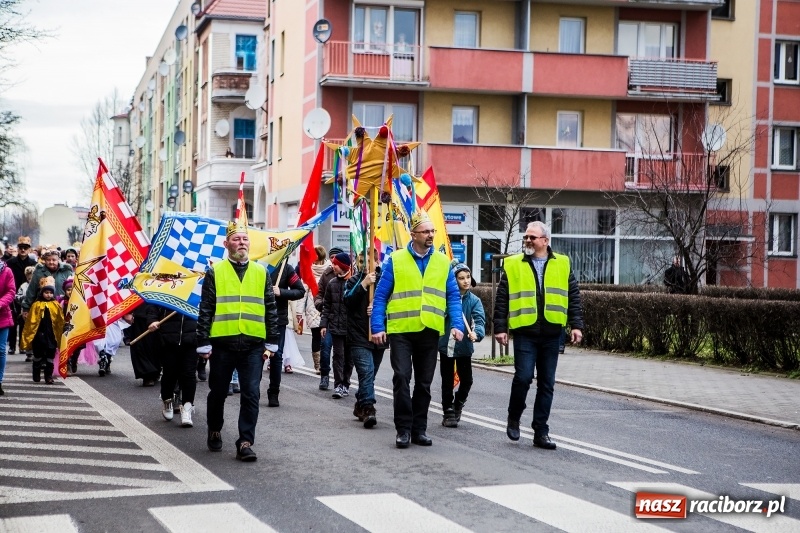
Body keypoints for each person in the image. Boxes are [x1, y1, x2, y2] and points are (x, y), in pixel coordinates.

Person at [371, 210, 464, 448]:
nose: (431, 235)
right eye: (426, 231)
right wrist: (377, 326)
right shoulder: (396, 259)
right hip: (401, 330)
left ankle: (419, 429)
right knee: (402, 378)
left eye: (433, 231)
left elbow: (453, 296)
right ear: (413, 234)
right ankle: (403, 429)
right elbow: (381, 296)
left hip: (429, 330)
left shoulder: (443, 262)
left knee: (423, 383)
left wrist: (456, 324)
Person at [494, 221, 584, 450]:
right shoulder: (513, 264)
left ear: (545, 240)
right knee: (523, 377)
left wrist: (576, 325)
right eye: (526, 237)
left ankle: (540, 431)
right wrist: (500, 328)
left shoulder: (562, 263)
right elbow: (502, 298)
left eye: (533, 237)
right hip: (525, 331)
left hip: (553, 333)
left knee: (547, 383)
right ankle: (514, 417)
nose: (528, 240)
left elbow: (573, 295)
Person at [196, 219, 280, 462]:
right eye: (236, 239)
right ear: (227, 244)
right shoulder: (215, 271)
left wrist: (272, 341)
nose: (241, 242)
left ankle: (245, 441)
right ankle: (214, 428)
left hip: (253, 345)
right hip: (223, 343)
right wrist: (203, 341)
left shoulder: (261, 271)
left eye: (244, 239)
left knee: (251, 393)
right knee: (218, 392)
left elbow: (270, 308)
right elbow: (206, 309)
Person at [439, 262, 485, 428]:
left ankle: (458, 403)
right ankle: (448, 411)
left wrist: (477, 333)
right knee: (447, 380)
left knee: (467, 380)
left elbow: (479, 320)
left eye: (467, 277)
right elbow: (437, 315)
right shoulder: (446, 298)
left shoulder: (474, 301)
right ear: (454, 280)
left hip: (465, 347)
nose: (466, 281)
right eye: (461, 278)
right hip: (446, 346)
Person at [344, 266, 386, 428]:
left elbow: (393, 302)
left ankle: (360, 403)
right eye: (362, 260)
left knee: (370, 374)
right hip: (358, 336)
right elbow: (347, 300)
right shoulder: (354, 280)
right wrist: (364, 284)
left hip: (378, 335)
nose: (367, 263)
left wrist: (380, 311)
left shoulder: (385, 281)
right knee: (366, 372)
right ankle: (368, 408)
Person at [147, 306, 198, 427]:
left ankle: (187, 408)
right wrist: (152, 320)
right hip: (168, 337)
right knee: (170, 372)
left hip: (192, 337)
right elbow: (155, 303)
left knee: (189, 374)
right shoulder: (167, 286)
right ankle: (167, 400)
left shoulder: (199, 289)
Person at [266, 261, 305, 407]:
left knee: (276, 356)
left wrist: (281, 292)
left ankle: (274, 392)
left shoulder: (286, 268)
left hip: (278, 320)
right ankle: (252, 392)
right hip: (256, 319)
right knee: (256, 356)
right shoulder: (258, 265)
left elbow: (300, 291)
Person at [320, 252, 354, 399]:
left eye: (336, 264)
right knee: (338, 356)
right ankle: (338, 385)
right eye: (333, 263)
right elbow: (326, 306)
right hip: (335, 326)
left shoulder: (353, 283)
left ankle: (346, 383)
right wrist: (323, 324)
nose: (333, 266)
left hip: (351, 328)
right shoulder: (332, 283)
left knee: (349, 358)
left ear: (343, 266)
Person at [21, 276, 65, 384]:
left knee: (50, 356)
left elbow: (60, 320)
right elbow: (31, 322)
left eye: (50, 292)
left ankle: (48, 376)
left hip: (51, 335)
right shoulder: (36, 305)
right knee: (38, 355)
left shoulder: (56, 305)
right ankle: (36, 373)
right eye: (46, 292)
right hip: (39, 336)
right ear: (42, 293)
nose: (48, 295)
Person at [314, 246, 343, 390]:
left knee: (341, 354)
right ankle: (324, 376)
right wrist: (320, 304)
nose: (333, 260)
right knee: (325, 348)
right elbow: (319, 294)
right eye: (331, 257)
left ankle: (342, 381)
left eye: (336, 257)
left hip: (343, 320)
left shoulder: (350, 274)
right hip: (329, 318)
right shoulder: (326, 274)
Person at [6, 237, 37, 357]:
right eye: (21, 247)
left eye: (25, 248)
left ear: (29, 249)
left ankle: (23, 346)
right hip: (12, 296)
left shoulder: (34, 264)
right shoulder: (10, 263)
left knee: (25, 323)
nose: (23, 249)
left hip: (27, 296)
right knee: (13, 322)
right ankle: (12, 346)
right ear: (17, 249)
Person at [21, 248, 73, 317]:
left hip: (62, 308)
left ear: (58, 260)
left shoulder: (66, 271)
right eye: (48, 260)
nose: (51, 262)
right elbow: (31, 291)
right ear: (45, 260)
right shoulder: (38, 272)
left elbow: (73, 291)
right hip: (43, 310)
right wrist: (26, 308)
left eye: (54, 260)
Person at [123, 304, 162, 385]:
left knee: (157, 347)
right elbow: (131, 294)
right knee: (140, 347)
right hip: (141, 317)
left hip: (160, 315)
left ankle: (155, 372)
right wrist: (127, 312)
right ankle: (147, 375)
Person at [0, 258, 15, 395]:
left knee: (1, 350)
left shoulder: (7, 271)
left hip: (2, 315)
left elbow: (11, 291)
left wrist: (0, 303)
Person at [14, 266, 35, 362]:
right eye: (29, 278)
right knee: (27, 332)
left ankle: (36, 352)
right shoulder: (23, 286)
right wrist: (23, 298)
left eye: (33, 277)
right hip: (26, 312)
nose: (31, 280)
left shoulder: (38, 285)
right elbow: (17, 297)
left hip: (36, 311)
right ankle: (29, 352)